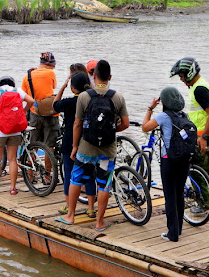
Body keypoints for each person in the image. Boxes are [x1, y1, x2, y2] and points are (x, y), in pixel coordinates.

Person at [55, 60, 129, 231]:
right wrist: (112, 131)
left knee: (75, 178)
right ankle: (99, 222)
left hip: (86, 146)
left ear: (93, 77)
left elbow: (77, 124)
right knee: (104, 183)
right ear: (110, 77)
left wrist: (74, 146)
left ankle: (70, 216)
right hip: (108, 148)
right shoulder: (117, 97)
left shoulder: (84, 96)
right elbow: (125, 124)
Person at [142, 87, 190, 242]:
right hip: (184, 160)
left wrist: (150, 108)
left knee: (169, 197)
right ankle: (179, 228)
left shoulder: (163, 116)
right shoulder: (185, 116)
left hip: (169, 160)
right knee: (179, 195)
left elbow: (145, 127)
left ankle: (172, 234)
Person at [170, 57, 209, 195]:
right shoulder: (201, 84)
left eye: (181, 76)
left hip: (207, 135)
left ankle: (203, 205)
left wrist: (203, 137)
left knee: (198, 171)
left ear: (189, 73)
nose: (181, 79)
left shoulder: (199, 89)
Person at [0, 77, 34, 196]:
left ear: (0, 84)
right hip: (15, 130)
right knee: (12, 159)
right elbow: (31, 101)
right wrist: (23, 112)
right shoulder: (17, 91)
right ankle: (13, 188)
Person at [52, 71, 96, 217]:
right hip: (89, 142)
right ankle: (90, 208)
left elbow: (55, 105)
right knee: (89, 174)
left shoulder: (70, 102)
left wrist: (62, 87)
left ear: (72, 88)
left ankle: (69, 206)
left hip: (70, 142)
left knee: (69, 174)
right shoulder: (92, 100)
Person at [21, 52, 60, 169]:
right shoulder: (51, 73)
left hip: (35, 113)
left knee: (33, 145)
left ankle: (30, 175)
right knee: (50, 146)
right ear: (51, 64)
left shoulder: (27, 75)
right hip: (50, 114)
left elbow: (24, 94)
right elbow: (53, 86)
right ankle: (48, 176)